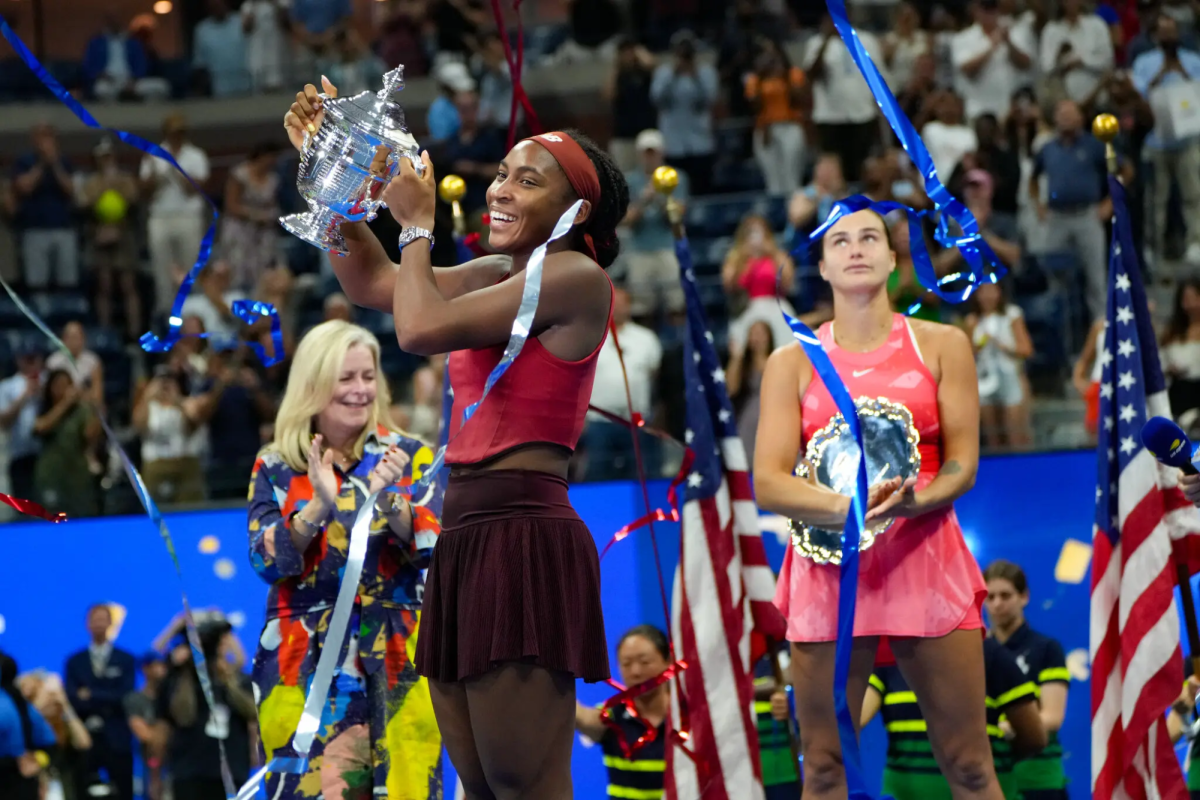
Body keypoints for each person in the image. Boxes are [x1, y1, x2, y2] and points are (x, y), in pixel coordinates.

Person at [285, 76, 629, 798]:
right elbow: (373, 283)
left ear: (576, 209)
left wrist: (415, 226)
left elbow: (416, 328)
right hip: (467, 535)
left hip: (522, 535)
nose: (500, 188)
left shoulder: (575, 277)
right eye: (501, 172)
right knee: (479, 786)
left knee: (522, 783)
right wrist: (334, 178)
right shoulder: (501, 271)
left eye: (526, 181)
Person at [755, 208, 995, 797]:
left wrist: (921, 500)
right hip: (826, 574)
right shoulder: (790, 362)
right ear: (822, 266)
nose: (856, 248)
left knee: (968, 764)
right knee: (826, 767)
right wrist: (853, 510)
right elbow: (768, 482)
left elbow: (964, 461)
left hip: (927, 561)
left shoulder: (944, 344)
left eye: (870, 238)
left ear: (893, 258)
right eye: (840, 241)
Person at [247, 319, 443, 799]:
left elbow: (436, 551)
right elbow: (267, 561)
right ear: (313, 384)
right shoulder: (275, 464)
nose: (360, 390)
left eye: (368, 376)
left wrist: (394, 501)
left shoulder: (413, 457)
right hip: (303, 663)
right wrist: (317, 505)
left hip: (400, 660)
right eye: (346, 378)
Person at [863, 637, 1046, 800]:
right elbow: (855, 718)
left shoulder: (990, 654)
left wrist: (988, 762)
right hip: (901, 792)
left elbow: (1034, 738)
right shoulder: (889, 654)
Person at [984, 560, 1071, 800]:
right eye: (990, 597)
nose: (997, 604)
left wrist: (1004, 729)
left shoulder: (1046, 648)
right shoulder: (975, 653)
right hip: (991, 780)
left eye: (1005, 595)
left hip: (1039, 779)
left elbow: (1053, 717)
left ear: (1024, 597)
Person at [155, 617, 255, 800]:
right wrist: (176, 625)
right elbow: (163, 728)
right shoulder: (176, 681)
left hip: (232, 772)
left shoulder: (239, 681)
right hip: (189, 772)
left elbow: (251, 714)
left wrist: (225, 633)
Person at [575, 626, 671, 800]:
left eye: (645, 662)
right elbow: (577, 715)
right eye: (626, 664)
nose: (636, 672)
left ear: (668, 662)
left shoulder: (690, 716)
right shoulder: (610, 717)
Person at [63, 604, 136, 800]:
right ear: (87, 623)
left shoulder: (126, 659)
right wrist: (106, 695)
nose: (98, 623)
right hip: (84, 737)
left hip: (117, 738)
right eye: (94, 619)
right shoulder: (75, 661)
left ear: (111, 623)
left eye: (103, 619)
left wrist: (91, 694)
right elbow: (72, 698)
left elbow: (126, 696)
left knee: (123, 791)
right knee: (81, 790)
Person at [0, 653, 57, 800]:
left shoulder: (15, 702)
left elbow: (48, 745)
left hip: (16, 784)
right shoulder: (18, 702)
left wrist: (37, 759)